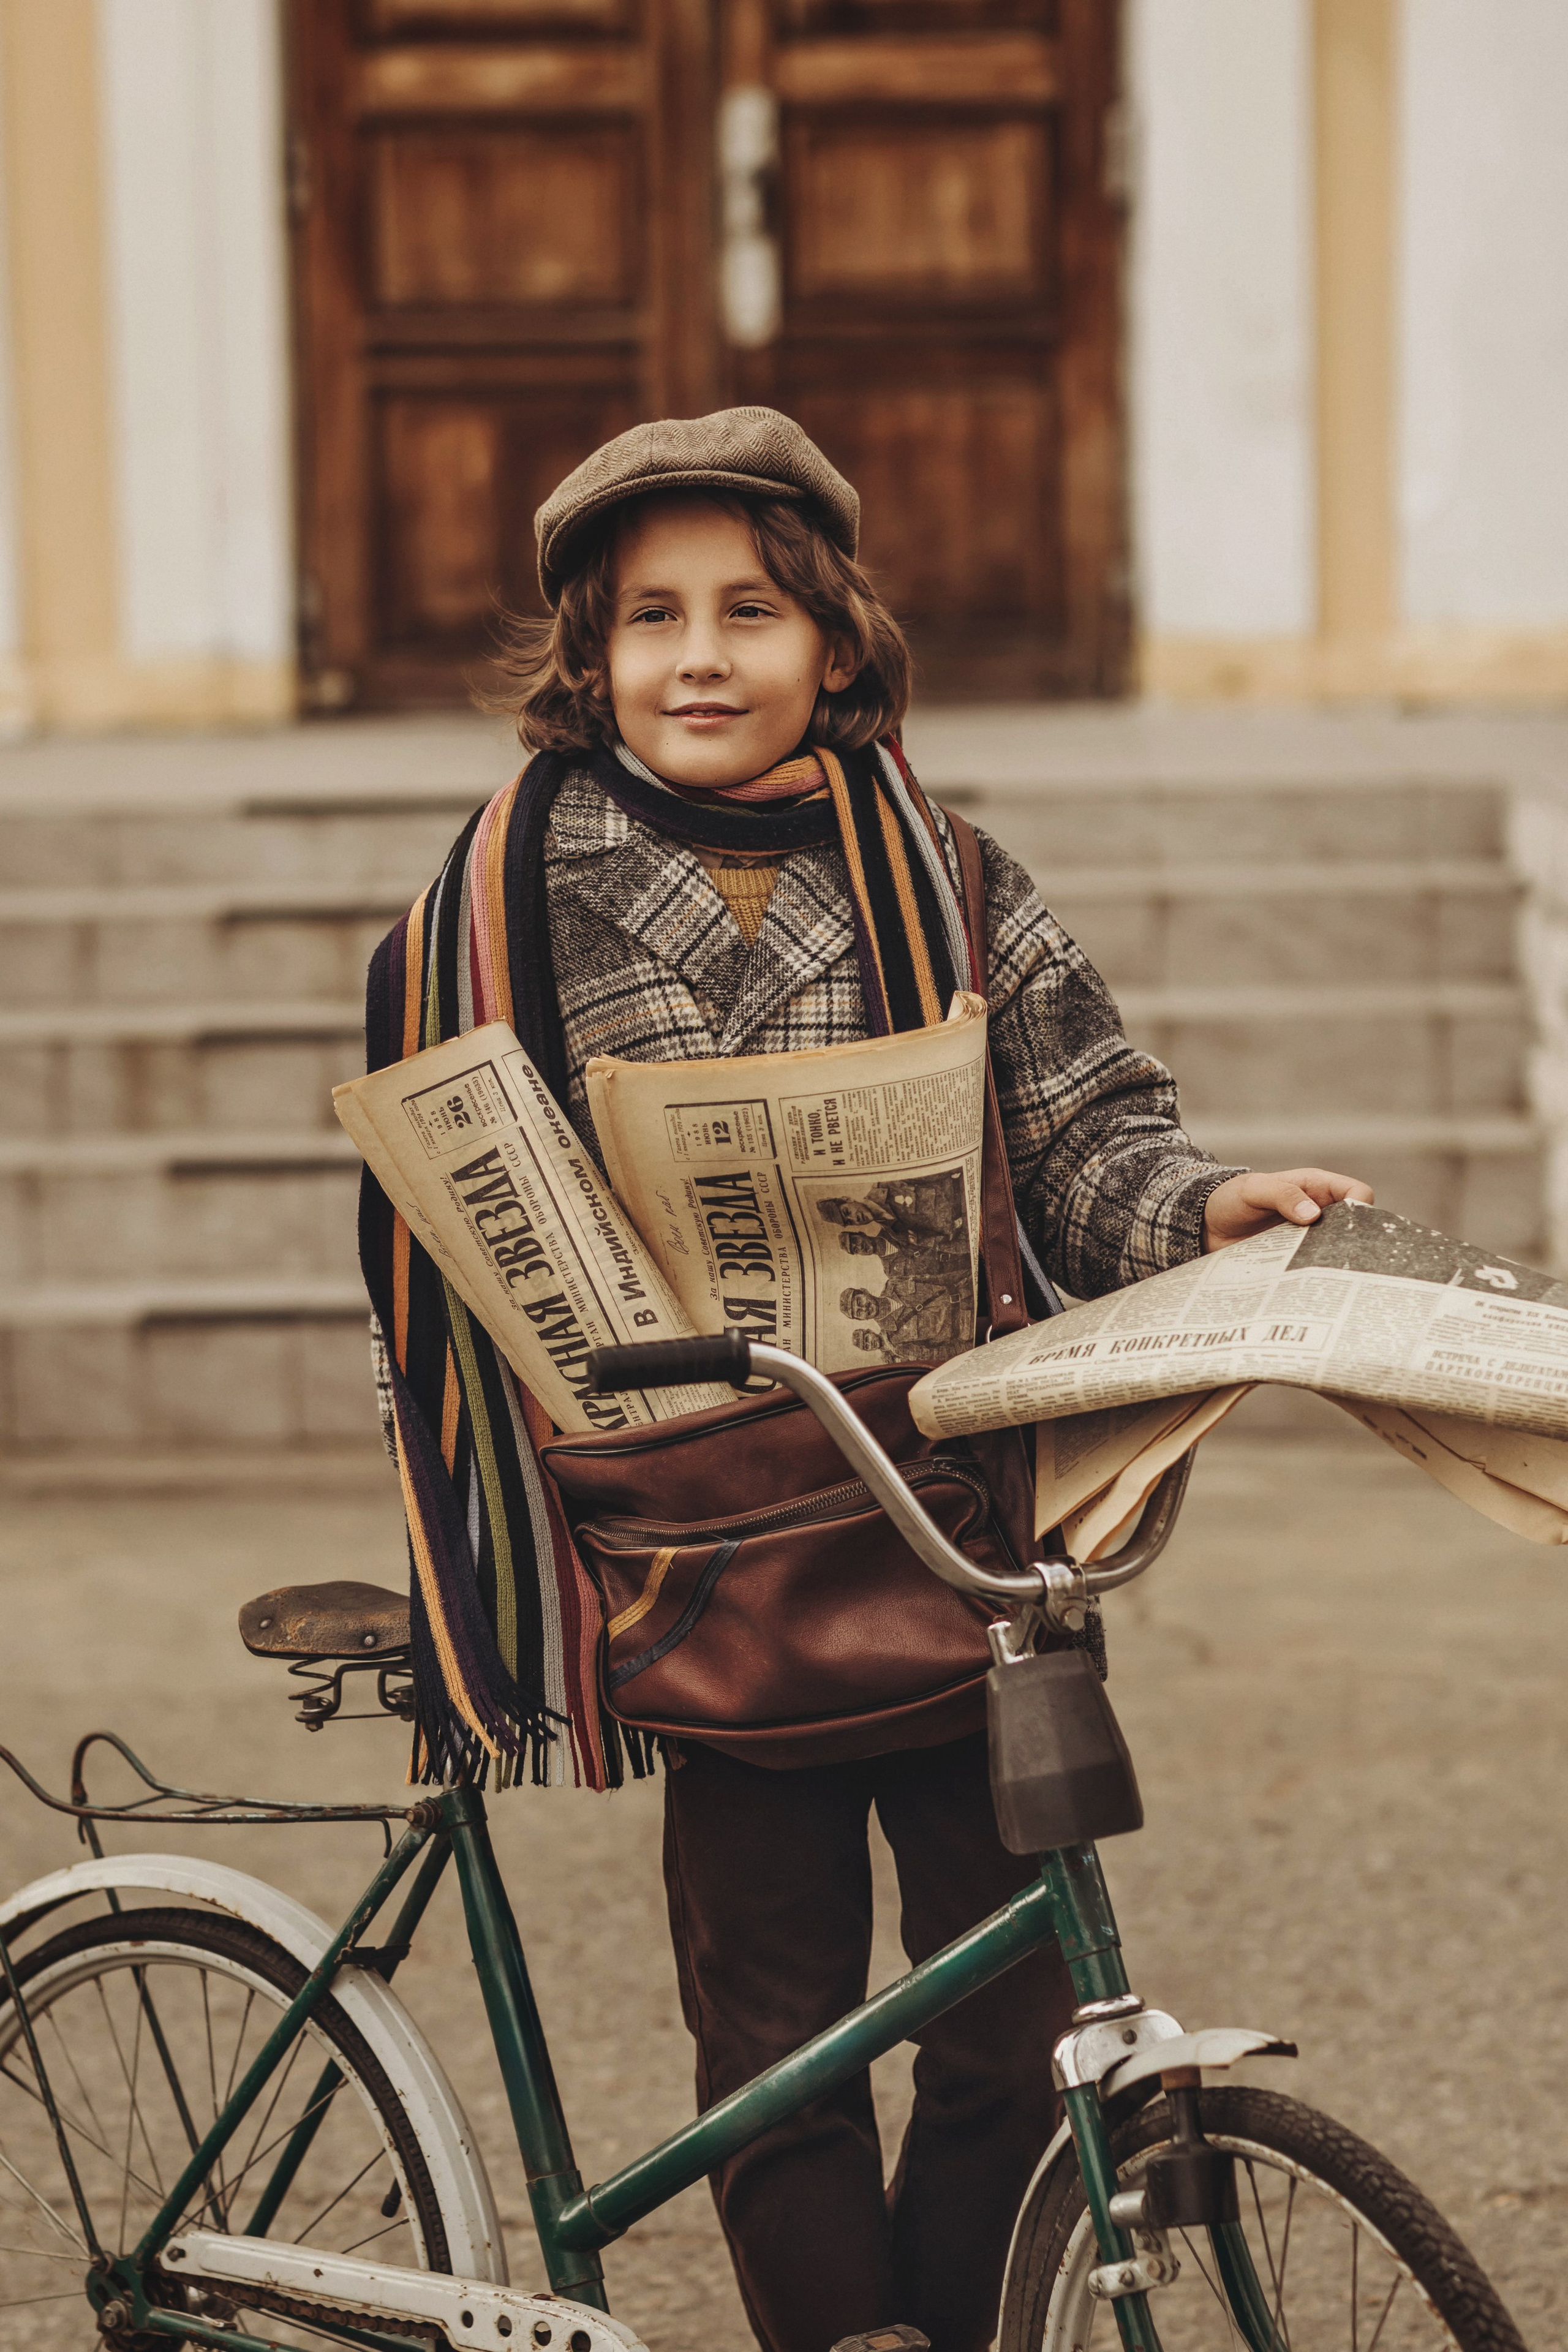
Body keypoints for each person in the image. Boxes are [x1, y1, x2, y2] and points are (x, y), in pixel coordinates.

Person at [365, 408, 1373, 2352]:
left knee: (1013, 2028)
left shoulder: (944, 869)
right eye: (651, 619)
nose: (703, 658)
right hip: (705, 1550)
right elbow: (452, 1211)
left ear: (837, 641)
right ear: (589, 663)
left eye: (753, 609)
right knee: (779, 2038)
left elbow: (1083, 1130)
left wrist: (1204, 1200)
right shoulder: (507, 906)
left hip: (947, 1524)